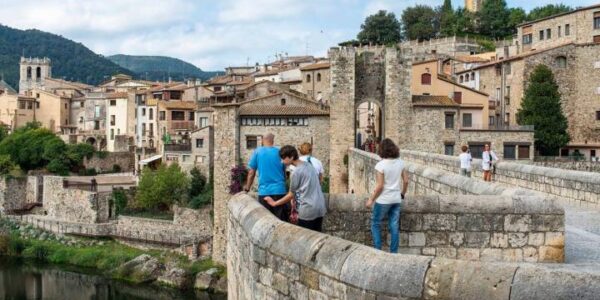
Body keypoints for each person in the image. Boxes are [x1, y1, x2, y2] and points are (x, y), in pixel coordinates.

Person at [265, 145, 327, 232]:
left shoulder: (296, 172)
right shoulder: (309, 166)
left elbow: (291, 194)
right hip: (320, 207)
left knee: (306, 239)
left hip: (308, 209)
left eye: (283, 158)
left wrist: (274, 203)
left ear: (291, 157)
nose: (282, 161)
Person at [366, 139, 408, 253]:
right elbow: (406, 181)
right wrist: (402, 194)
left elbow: (380, 186)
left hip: (384, 200)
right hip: (396, 199)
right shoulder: (401, 163)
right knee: (394, 226)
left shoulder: (380, 165)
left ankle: (378, 251)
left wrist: (371, 200)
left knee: (375, 223)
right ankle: (393, 253)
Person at [244, 133, 289, 221]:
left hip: (264, 192)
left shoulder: (257, 152)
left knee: (266, 221)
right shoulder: (279, 152)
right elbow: (284, 172)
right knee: (281, 221)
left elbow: (251, 173)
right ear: (273, 141)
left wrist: (247, 188)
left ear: (262, 140)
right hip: (280, 190)